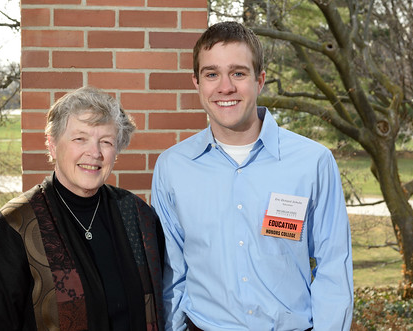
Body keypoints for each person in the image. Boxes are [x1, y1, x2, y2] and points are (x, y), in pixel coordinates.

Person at [151, 21, 353, 331]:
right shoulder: (173, 167)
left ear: (259, 81)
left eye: (238, 73)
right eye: (212, 74)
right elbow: (172, 273)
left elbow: (333, 269)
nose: (225, 87)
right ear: (197, 83)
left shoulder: (313, 162)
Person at [0, 86, 165, 331]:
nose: (94, 153)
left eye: (105, 142)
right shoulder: (14, 225)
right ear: (52, 146)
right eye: (80, 139)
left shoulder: (138, 215)